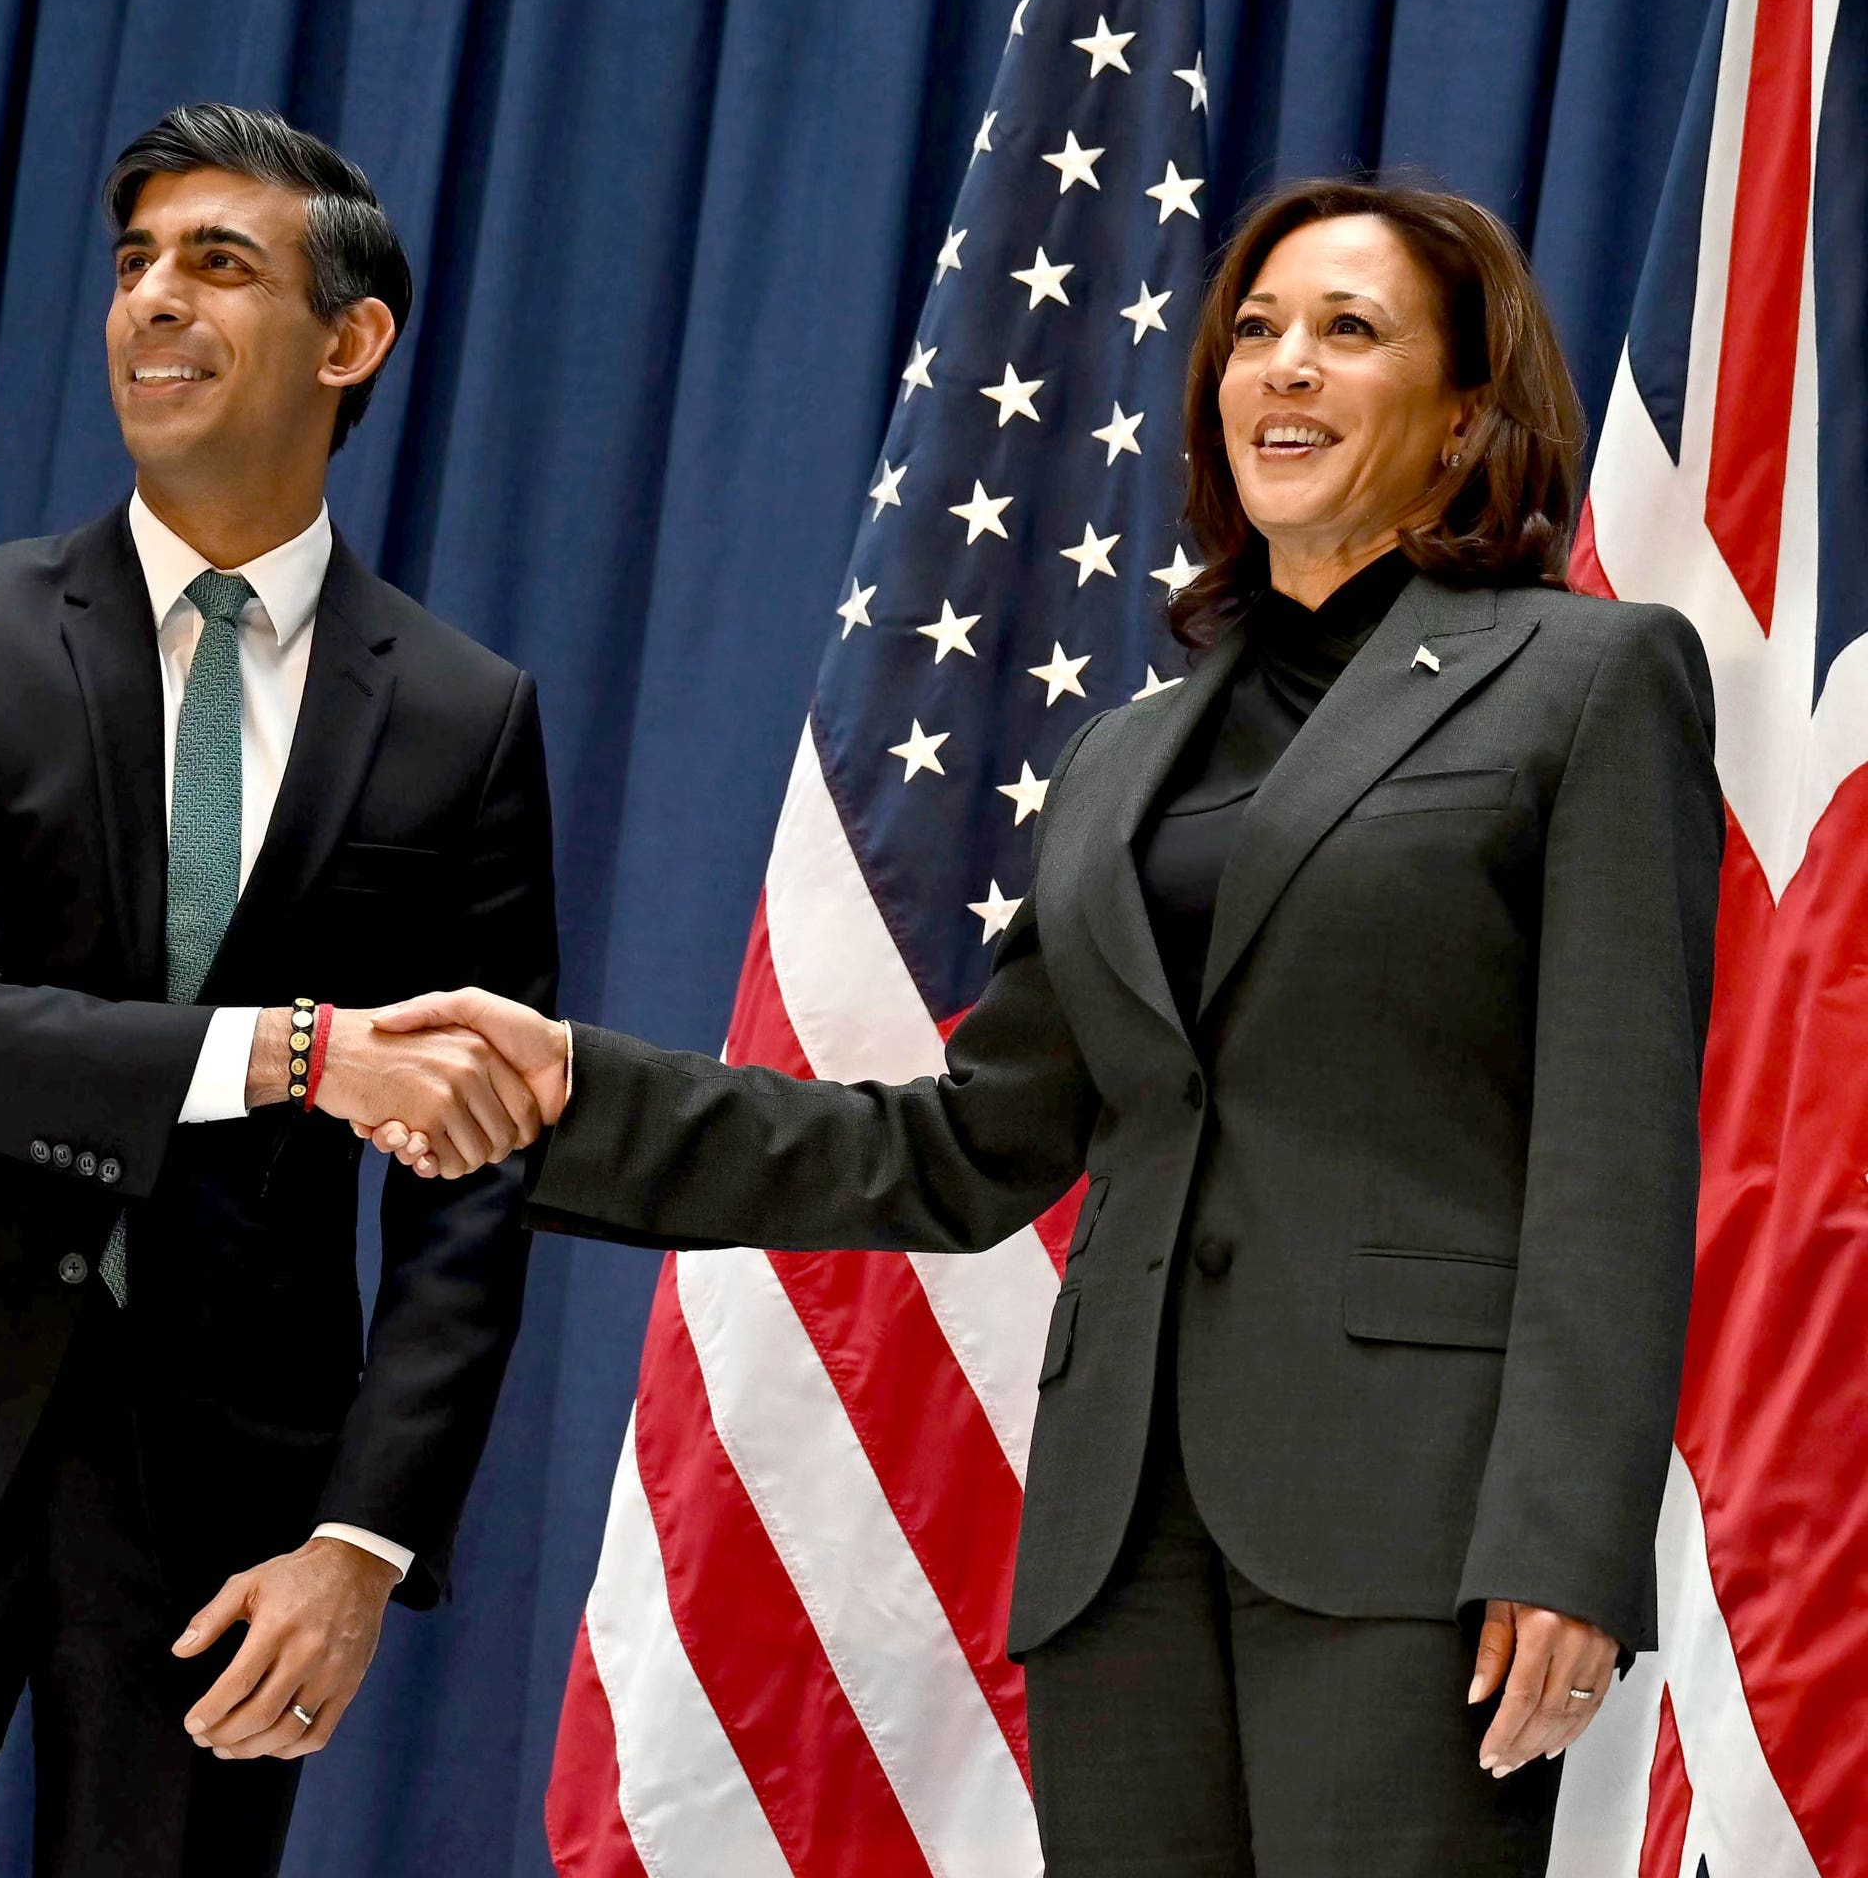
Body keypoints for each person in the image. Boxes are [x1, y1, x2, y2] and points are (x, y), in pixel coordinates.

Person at [332, 179, 1721, 1873]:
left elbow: (1616, 1151)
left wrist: (1567, 1543)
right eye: (1256, 334)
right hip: (1120, 1540)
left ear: (1465, 417)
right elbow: (962, 1144)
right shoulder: (1127, 758)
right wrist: (568, 1091)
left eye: (1348, 334)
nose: (1282, 368)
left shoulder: (1590, 680)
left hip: (1412, 1535)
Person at [0, 103, 560, 1878]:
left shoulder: (468, 719)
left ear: (350, 340)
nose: (152, 302)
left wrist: (363, 1544)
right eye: (134, 265)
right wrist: (302, 1057)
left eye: (217, 263)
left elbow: (479, 1184)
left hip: (234, 1516)